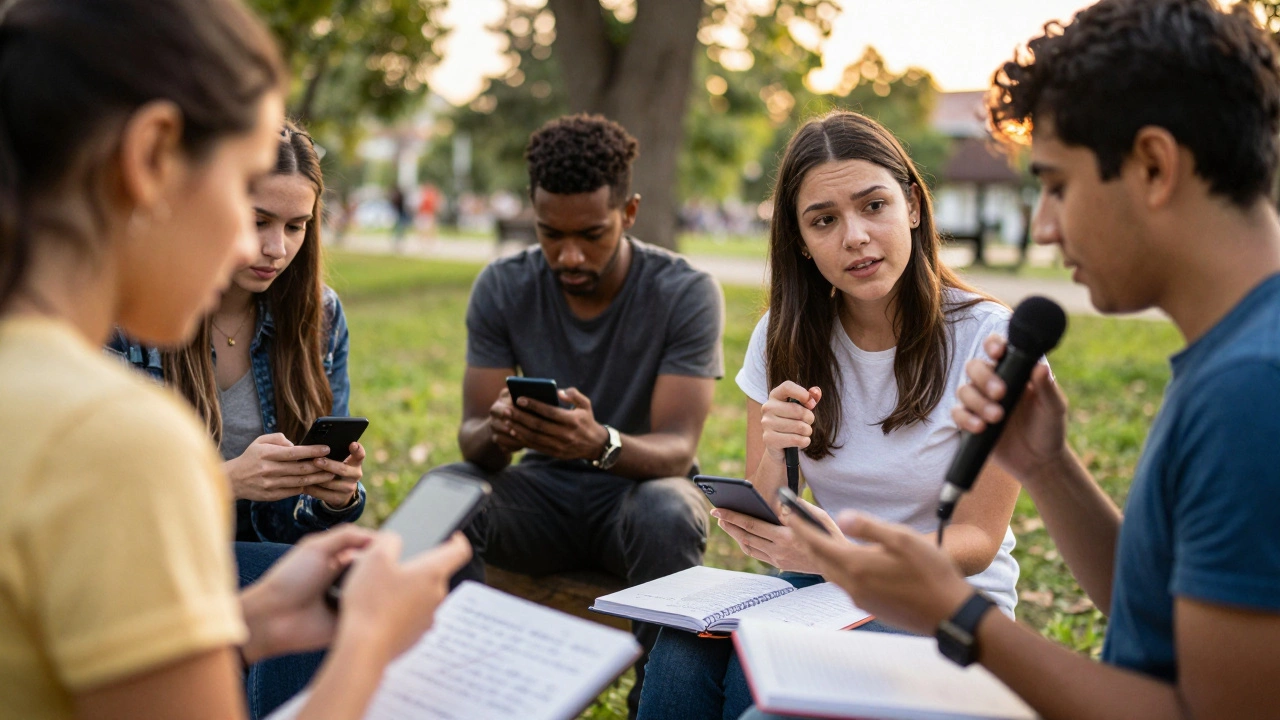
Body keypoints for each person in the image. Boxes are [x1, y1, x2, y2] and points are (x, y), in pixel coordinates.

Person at [777, 1, 1280, 719]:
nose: (1043, 226)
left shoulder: (1254, 390)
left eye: (1056, 186)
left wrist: (956, 611)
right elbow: (1156, 614)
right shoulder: (1234, 355)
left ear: (1153, 166)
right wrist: (1047, 467)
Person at [0, 1, 470, 719]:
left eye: (294, 226)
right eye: (241, 190)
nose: (261, 250)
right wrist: (368, 640)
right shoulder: (114, 439)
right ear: (152, 156)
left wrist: (253, 625)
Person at [636, 110, 1023, 720]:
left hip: (948, 601)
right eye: (824, 220)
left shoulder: (988, 339)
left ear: (914, 207)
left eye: (874, 206)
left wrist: (849, 562)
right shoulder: (780, 338)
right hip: (828, 588)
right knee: (686, 648)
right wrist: (775, 452)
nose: (855, 237)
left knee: (760, 666)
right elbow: (765, 522)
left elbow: (979, 538)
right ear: (802, 242)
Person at [439, 113, 724, 718]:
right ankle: (451, 691)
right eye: (549, 234)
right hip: (541, 503)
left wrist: (601, 444)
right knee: (445, 492)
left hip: (637, 507)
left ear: (629, 213)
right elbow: (473, 445)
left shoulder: (685, 292)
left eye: (591, 234)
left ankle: (655, 705)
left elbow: (677, 449)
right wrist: (499, 430)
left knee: (669, 508)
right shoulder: (503, 285)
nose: (568, 254)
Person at [106, 119, 363, 717]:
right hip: (149, 558)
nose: (276, 249)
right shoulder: (130, 314)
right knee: (300, 592)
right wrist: (225, 482)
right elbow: (94, 504)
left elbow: (304, 529)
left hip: (260, 553)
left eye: (296, 226)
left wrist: (334, 498)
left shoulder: (319, 316)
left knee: (359, 575)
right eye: (257, 222)